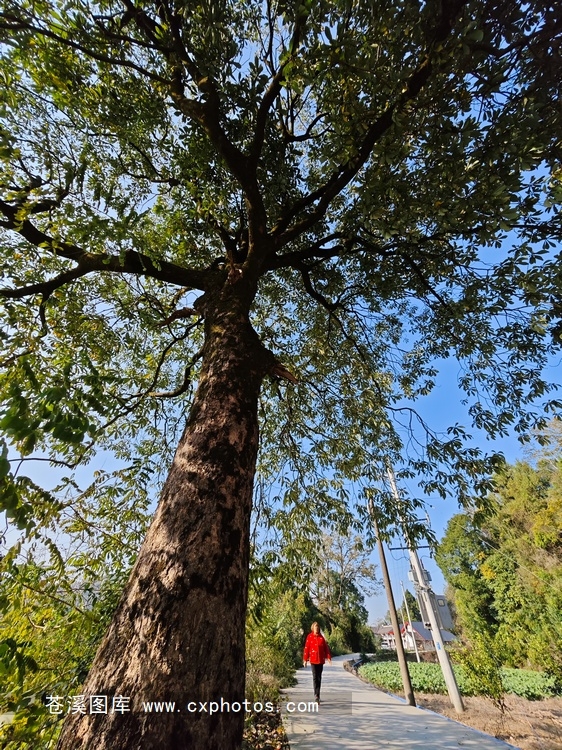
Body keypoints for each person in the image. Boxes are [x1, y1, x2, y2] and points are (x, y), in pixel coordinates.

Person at [303, 622, 332, 703]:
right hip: (313, 660)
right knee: (315, 677)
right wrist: (305, 660)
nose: (317, 629)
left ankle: (318, 695)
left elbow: (326, 648)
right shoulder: (309, 637)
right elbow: (306, 648)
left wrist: (328, 658)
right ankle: (316, 695)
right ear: (313, 628)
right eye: (315, 627)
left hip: (320, 660)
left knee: (319, 678)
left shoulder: (321, 638)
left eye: (317, 627)